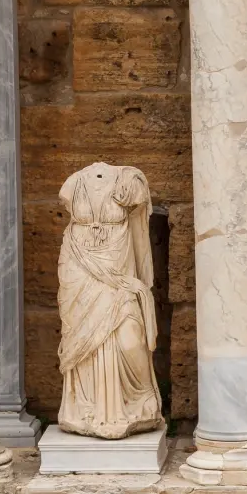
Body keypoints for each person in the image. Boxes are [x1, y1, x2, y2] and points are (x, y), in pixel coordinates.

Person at [56, 163, 163, 439]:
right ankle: (85, 410)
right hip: (79, 266)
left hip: (118, 267)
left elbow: (139, 203)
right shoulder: (73, 183)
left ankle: (140, 401)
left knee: (130, 339)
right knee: (84, 340)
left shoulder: (128, 180)